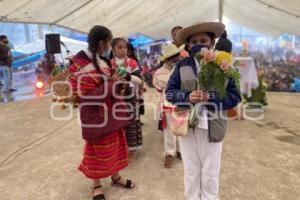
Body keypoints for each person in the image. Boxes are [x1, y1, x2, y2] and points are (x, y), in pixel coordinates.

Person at [166, 22, 241, 200]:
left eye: (203, 40)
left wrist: (212, 98)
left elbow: (235, 97)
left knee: (210, 171)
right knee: (191, 170)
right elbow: (170, 92)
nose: (199, 44)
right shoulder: (182, 65)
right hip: (187, 126)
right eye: (194, 42)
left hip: (212, 126)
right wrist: (186, 96)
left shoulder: (224, 66)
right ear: (188, 45)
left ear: (212, 42)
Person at [68, 26, 135, 200]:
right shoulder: (79, 65)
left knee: (115, 145)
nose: (108, 47)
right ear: (101, 43)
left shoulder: (105, 61)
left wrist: (120, 83)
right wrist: (112, 83)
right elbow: (85, 96)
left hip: (112, 114)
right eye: (108, 42)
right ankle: (96, 184)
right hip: (95, 117)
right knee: (97, 150)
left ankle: (115, 177)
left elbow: (112, 86)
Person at [110, 37, 143, 152]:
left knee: (132, 122)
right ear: (113, 49)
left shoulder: (132, 62)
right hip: (115, 96)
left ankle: (132, 148)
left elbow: (139, 80)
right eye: (119, 47)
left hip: (130, 96)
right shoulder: (109, 64)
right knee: (117, 123)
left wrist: (127, 76)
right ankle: (120, 148)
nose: (123, 50)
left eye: (124, 47)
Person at [153, 43, 183, 168]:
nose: (176, 58)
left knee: (181, 128)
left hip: (182, 102)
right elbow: (160, 86)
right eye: (173, 57)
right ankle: (169, 153)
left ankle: (181, 151)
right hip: (167, 103)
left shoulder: (182, 68)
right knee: (169, 130)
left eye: (177, 55)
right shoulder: (159, 73)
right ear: (166, 59)